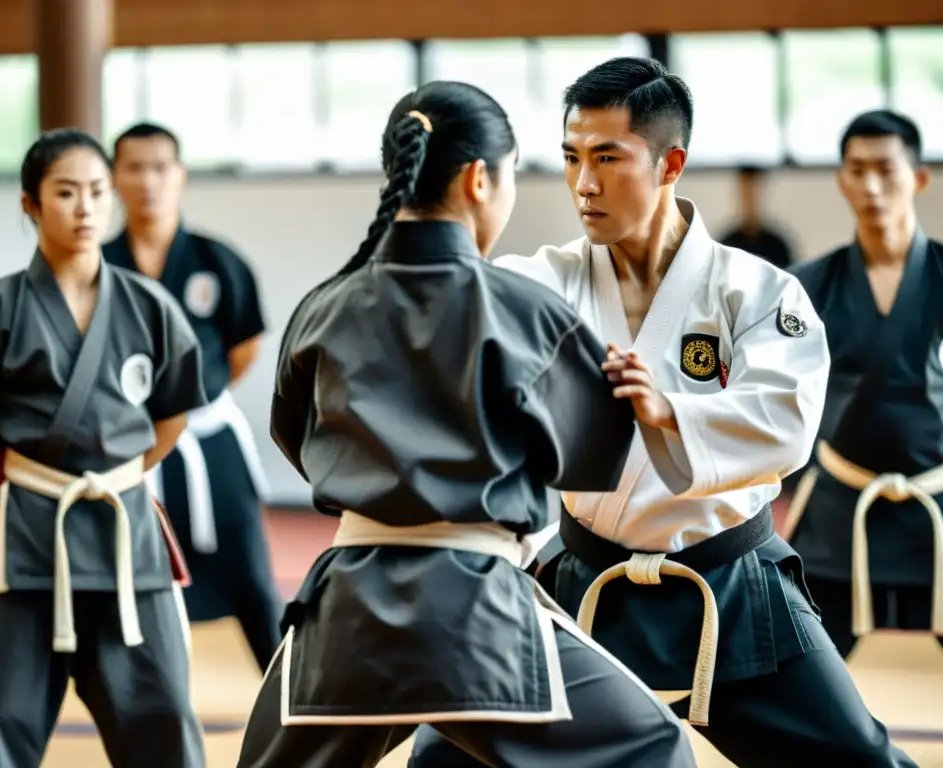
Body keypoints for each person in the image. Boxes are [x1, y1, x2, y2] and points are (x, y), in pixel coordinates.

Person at [409, 57, 917, 767]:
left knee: (863, 761)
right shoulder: (540, 283)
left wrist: (669, 411)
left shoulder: (756, 291)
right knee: (441, 760)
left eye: (608, 158)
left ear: (670, 162)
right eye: (571, 158)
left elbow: (787, 421)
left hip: (730, 591)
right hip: (583, 591)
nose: (584, 184)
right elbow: (441, 320)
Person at [234, 81, 697, 768]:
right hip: (483, 612)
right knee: (653, 749)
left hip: (347, 613)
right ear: (482, 179)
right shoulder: (527, 312)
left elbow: (298, 440)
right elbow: (589, 462)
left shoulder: (322, 307)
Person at [0, 128, 207, 766]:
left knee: (163, 717)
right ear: (30, 203)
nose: (84, 207)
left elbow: (170, 420)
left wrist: (118, 476)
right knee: (0, 720)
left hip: (123, 532)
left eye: (97, 192)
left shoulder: (150, 307)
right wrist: (32, 478)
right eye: (65, 192)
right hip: (28, 538)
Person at [785, 109, 943, 741]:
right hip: (843, 506)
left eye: (886, 170)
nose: (872, 186)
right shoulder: (810, 288)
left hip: (942, 505)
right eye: (857, 171)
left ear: (920, 178)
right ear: (841, 182)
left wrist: (940, 447)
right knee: (793, 676)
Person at [103, 122, 283, 672]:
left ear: (179, 175)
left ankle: (290, 697)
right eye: (134, 167)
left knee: (251, 577)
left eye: (160, 167)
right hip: (131, 448)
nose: (148, 181)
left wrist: (192, 402)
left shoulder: (215, 260)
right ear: (114, 177)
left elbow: (244, 347)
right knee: (129, 579)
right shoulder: (98, 267)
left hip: (208, 439)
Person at [718, 165, 794, 270]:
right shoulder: (725, 245)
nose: (750, 197)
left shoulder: (777, 247)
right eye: (745, 190)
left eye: (753, 189)